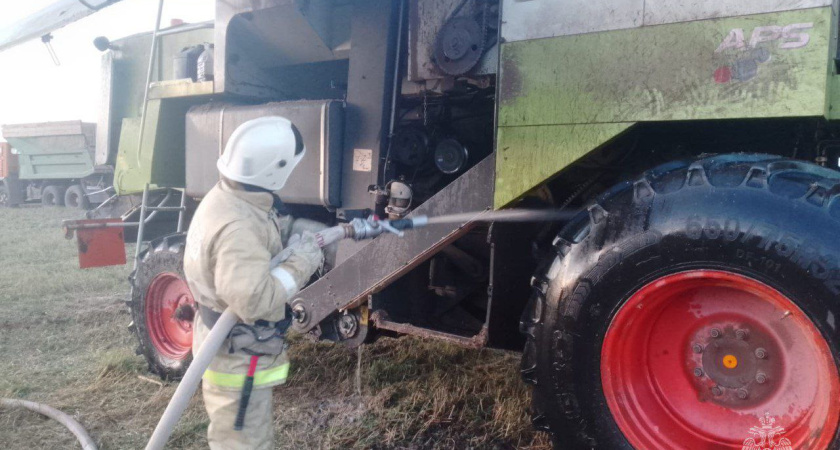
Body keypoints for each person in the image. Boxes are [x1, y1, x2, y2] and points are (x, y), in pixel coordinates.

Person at [184, 116, 325, 449]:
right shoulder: (238, 230)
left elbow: (258, 233)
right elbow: (255, 300)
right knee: (244, 443)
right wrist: (303, 262)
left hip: (231, 349)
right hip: (238, 363)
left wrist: (297, 232)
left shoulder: (231, 197)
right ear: (274, 171)